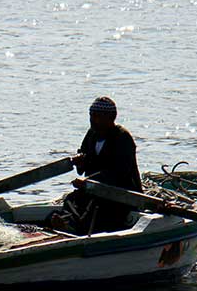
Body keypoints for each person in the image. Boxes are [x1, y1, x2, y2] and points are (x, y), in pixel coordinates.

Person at [53, 96, 142, 235]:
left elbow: (118, 173)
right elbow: (83, 162)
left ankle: (77, 229)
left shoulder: (122, 138)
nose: (93, 120)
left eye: (97, 116)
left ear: (111, 117)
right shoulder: (92, 134)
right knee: (71, 200)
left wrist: (89, 182)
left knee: (99, 208)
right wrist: (80, 161)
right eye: (91, 116)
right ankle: (65, 224)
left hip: (119, 194)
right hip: (92, 190)